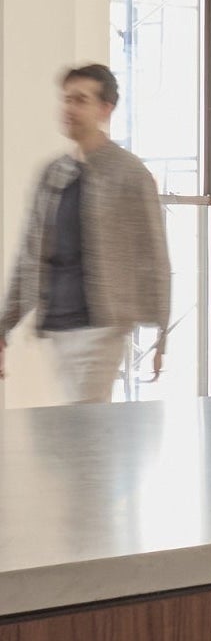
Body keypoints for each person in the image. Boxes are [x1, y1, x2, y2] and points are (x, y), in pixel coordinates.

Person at [0, 64, 172, 404]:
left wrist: (161, 335)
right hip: (56, 325)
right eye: (66, 99)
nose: (69, 108)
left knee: (83, 424)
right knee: (76, 429)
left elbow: (154, 253)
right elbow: (30, 254)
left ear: (105, 109)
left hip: (101, 327)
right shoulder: (53, 173)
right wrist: (5, 322)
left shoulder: (129, 172)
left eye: (80, 100)